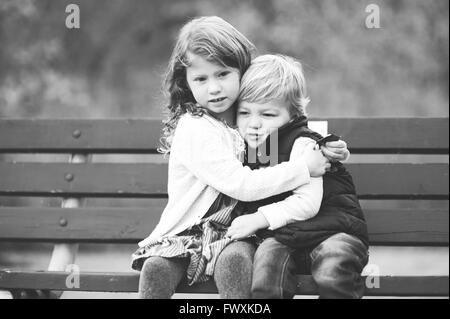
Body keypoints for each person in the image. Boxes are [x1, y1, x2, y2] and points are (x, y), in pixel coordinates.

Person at [131, 16, 348, 299]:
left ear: (241, 71)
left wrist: (326, 147)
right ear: (185, 83)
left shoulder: (244, 116)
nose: (214, 88)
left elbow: (291, 124)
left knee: (236, 261)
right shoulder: (195, 127)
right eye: (201, 79)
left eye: (222, 74)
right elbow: (241, 185)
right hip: (188, 233)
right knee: (160, 265)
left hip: (237, 230)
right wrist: (304, 167)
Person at [227, 54, 369, 299]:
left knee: (333, 272)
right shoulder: (245, 147)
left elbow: (308, 204)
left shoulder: (304, 144)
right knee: (265, 278)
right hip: (283, 237)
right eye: (244, 112)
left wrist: (258, 218)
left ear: (293, 115)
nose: (254, 123)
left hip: (333, 231)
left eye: (268, 115)